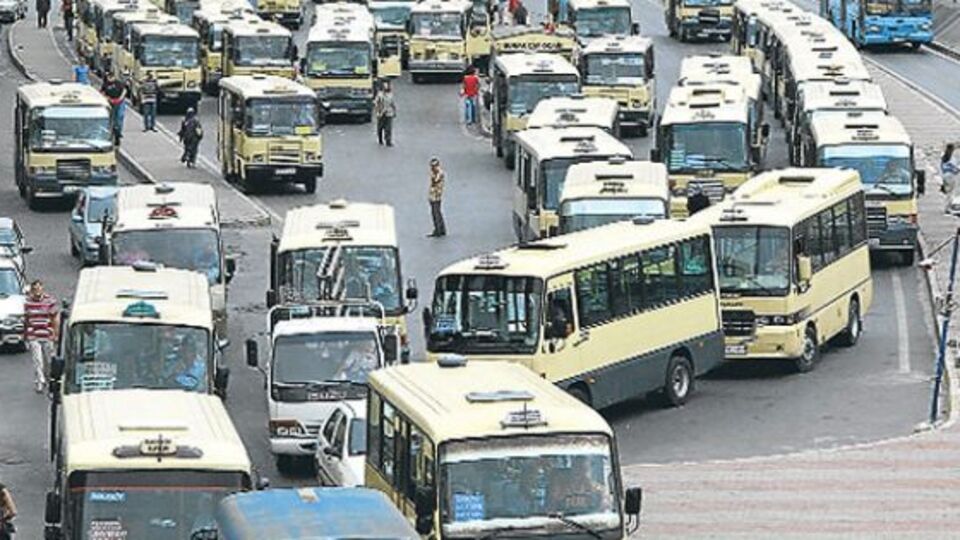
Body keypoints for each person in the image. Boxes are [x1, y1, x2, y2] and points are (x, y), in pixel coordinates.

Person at [24, 280, 59, 394]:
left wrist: (55, 333)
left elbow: (54, 318)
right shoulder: (28, 303)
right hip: (34, 335)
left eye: (39, 289)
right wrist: (26, 335)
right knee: (38, 360)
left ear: (42, 289)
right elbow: (27, 319)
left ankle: (50, 381)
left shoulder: (50, 301)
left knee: (49, 361)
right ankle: (40, 381)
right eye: (35, 289)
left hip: (47, 334)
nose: (37, 291)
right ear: (32, 291)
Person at [100, 74, 126, 145]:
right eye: (109, 78)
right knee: (112, 117)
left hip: (120, 102)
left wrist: (120, 99)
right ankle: (113, 130)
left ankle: (119, 131)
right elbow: (102, 93)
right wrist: (108, 98)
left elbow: (124, 91)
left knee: (120, 116)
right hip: (111, 102)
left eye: (112, 77)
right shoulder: (105, 84)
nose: (110, 79)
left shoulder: (118, 83)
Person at [373, 81, 396, 146]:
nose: (386, 87)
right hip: (381, 113)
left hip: (389, 113)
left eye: (387, 85)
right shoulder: (379, 95)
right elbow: (376, 103)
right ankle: (380, 139)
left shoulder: (390, 95)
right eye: (384, 86)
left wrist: (394, 111)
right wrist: (377, 111)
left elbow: (392, 103)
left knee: (388, 128)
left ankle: (388, 141)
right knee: (380, 127)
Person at [428, 157, 447, 237]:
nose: (432, 168)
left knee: (436, 212)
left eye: (433, 166)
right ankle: (441, 229)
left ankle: (438, 229)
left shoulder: (439, 173)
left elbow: (435, 181)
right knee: (437, 212)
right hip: (433, 195)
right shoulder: (435, 172)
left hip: (436, 195)